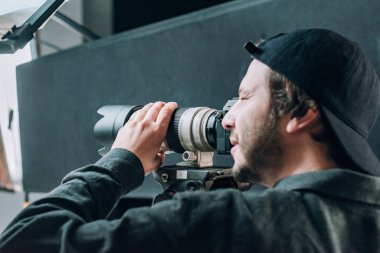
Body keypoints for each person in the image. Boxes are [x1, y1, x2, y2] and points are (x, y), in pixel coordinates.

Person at [1, 28, 380, 252]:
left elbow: (24, 243)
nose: (227, 118)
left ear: (302, 113)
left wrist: (119, 164)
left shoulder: (227, 224)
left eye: (245, 98)